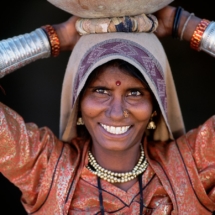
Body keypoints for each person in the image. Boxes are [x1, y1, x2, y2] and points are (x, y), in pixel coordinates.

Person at [1, 5, 215, 214]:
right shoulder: (46, 171)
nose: (116, 112)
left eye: (135, 93)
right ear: (78, 104)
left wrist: (182, 24)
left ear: (155, 107)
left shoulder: (192, 169)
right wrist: (54, 37)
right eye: (100, 91)